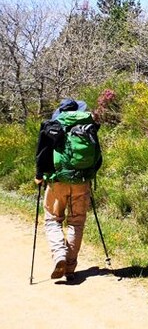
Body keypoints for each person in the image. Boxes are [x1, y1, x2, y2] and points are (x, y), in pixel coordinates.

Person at [35, 98, 103, 281]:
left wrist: (39, 175)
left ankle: (59, 256)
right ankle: (70, 268)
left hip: (57, 181)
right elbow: (98, 157)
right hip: (81, 181)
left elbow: (42, 153)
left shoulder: (53, 125)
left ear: (61, 111)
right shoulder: (90, 125)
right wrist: (88, 176)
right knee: (76, 223)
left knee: (53, 220)